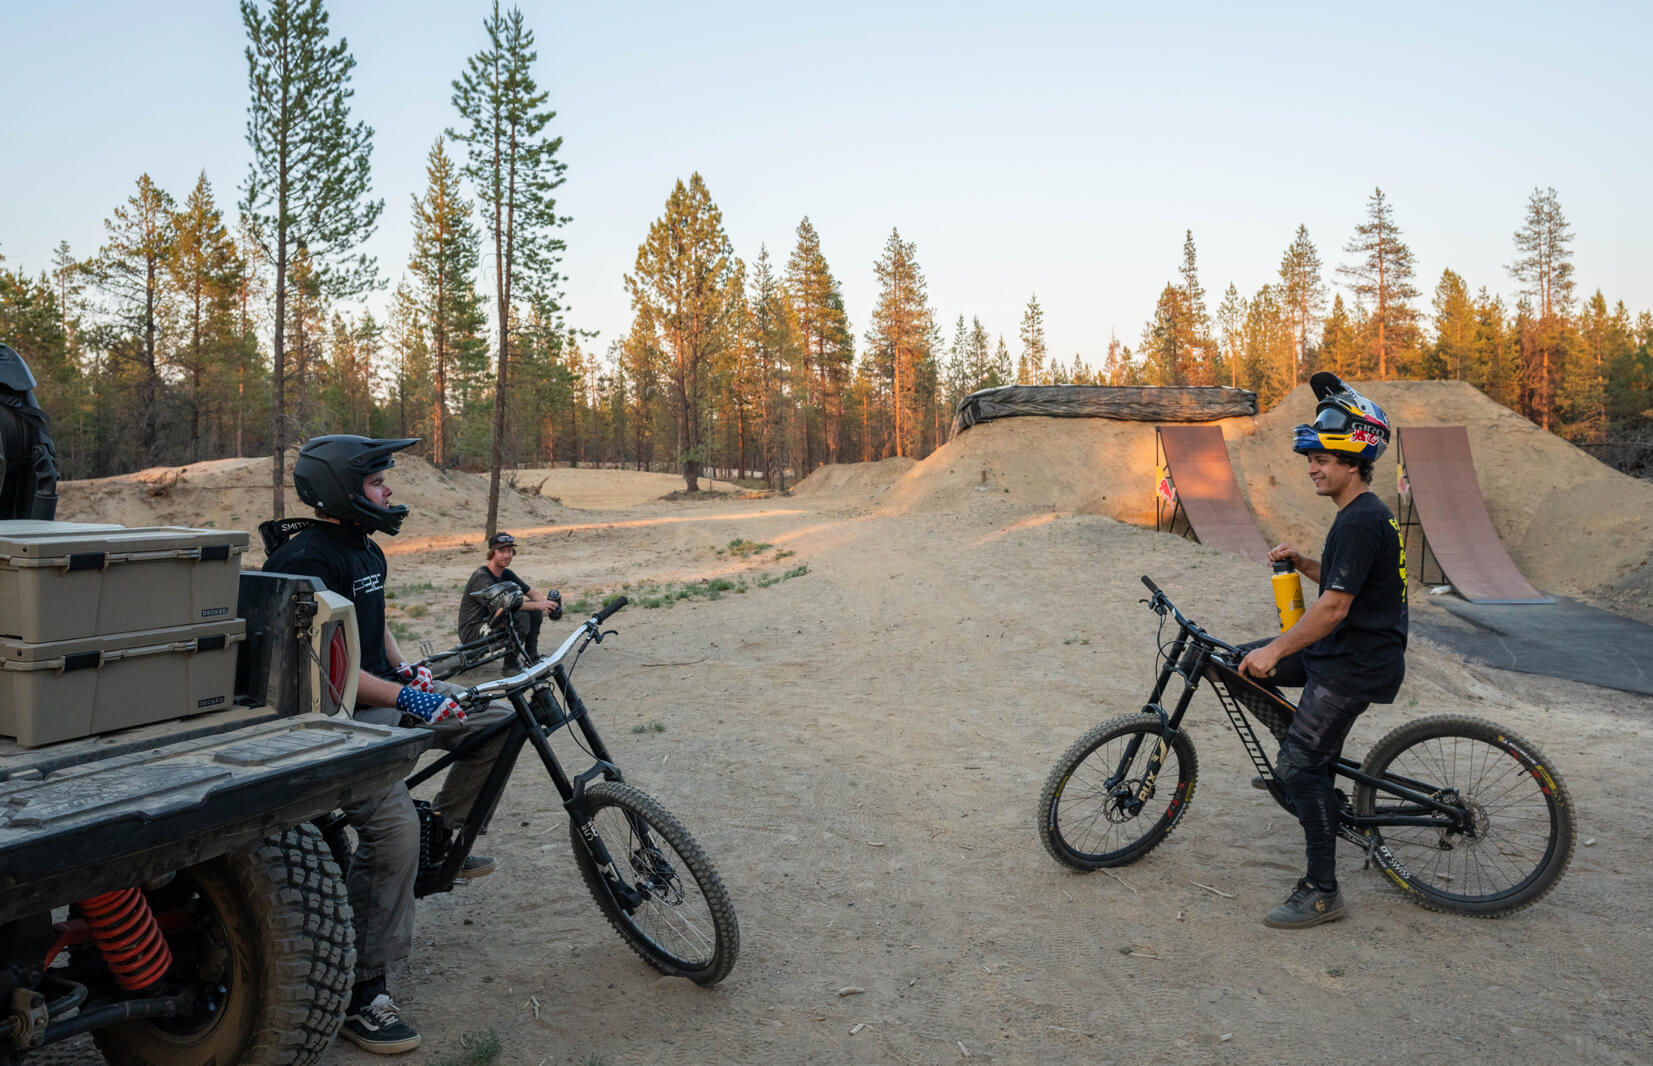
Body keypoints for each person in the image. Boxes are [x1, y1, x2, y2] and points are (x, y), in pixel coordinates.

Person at [261, 435, 510, 1053]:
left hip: (376, 693)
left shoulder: (365, 549)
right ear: (344, 491)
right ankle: (360, 989)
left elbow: (372, 623)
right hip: (330, 718)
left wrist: (409, 671)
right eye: (377, 482)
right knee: (392, 826)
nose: (389, 491)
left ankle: (444, 836)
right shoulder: (305, 562)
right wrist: (406, 698)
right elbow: (325, 672)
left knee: (498, 720)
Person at [1237, 373, 1408, 930]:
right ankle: (1307, 758)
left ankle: (1322, 891)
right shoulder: (1361, 516)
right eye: (1310, 456)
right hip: (1343, 651)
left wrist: (1277, 648)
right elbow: (1345, 586)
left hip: (1353, 664)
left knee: (1299, 767)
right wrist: (1305, 563)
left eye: (1324, 458)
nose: (1312, 466)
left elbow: (1333, 609)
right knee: (1233, 663)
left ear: (1354, 460)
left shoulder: (1361, 520)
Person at [457, 531, 561, 672]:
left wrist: (549, 605)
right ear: (493, 552)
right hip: (474, 632)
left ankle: (532, 656)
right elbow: (507, 606)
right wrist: (538, 604)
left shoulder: (506, 574)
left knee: (534, 611)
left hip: (491, 623)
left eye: (510, 551)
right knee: (522, 616)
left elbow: (530, 592)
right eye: (502, 551)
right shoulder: (481, 577)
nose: (506, 555)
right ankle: (510, 666)